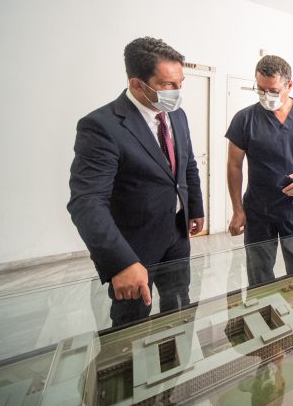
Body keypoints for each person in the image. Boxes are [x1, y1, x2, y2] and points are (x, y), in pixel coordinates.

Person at [67, 37, 204, 327]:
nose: (177, 92)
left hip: (177, 233)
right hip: (134, 244)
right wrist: (121, 262)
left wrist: (195, 208)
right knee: (132, 321)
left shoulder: (177, 115)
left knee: (179, 305)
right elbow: (87, 201)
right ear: (137, 84)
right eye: (168, 84)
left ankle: (176, 352)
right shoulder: (102, 126)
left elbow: (188, 164)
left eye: (180, 82)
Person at [226, 55, 293, 285]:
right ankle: (263, 307)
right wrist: (237, 209)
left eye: (273, 91)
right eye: (260, 89)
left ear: (289, 85)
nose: (266, 96)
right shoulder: (245, 119)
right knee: (259, 275)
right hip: (259, 212)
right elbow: (234, 165)